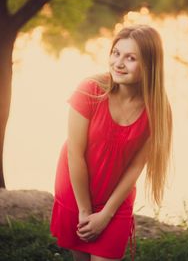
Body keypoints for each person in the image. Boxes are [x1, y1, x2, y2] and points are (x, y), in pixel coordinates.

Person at [50, 25, 173, 261]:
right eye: (116, 53)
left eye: (130, 58)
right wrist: (85, 211)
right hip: (77, 189)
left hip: (115, 197)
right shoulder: (90, 90)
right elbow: (74, 154)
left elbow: (136, 167)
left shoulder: (157, 109)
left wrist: (106, 214)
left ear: (149, 64)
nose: (119, 63)